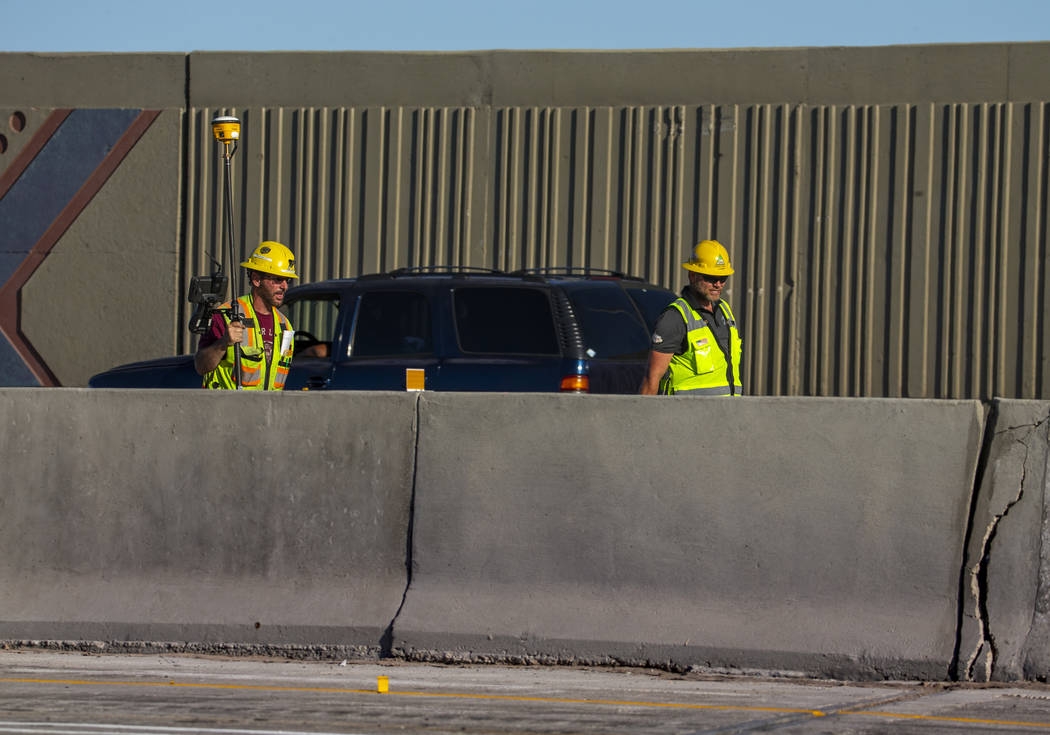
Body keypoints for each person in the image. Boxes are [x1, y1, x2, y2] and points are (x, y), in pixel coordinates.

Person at [639, 240, 743, 396]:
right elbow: (651, 379)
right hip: (686, 417)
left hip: (727, 415)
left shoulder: (724, 311)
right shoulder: (675, 318)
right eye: (711, 278)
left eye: (723, 278)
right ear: (693, 275)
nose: (718, 284)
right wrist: (643, 419)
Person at [195, 241, 298, 390]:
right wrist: (223, 343)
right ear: (256, 279)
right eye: (277, 279)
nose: (284, 286)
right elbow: (200, 366)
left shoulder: (286, 327)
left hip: (267, 411)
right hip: (227, 410)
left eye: (287, 280)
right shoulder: (227, 316)